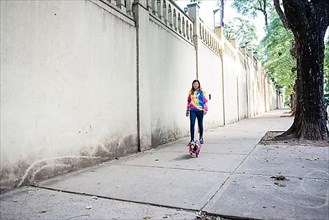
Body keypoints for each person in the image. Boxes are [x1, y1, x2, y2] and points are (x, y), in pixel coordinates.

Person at [186, 79, 208, 145]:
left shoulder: (202, 92)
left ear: (199, 85)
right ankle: (192, 139)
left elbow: (205, 101)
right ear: (192, 85)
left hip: (200, 110)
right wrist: (187, 110)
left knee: (200, 124)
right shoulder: (191, 92)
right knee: (192, 124)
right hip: (192, 110)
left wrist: (205, 109)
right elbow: (189, 101)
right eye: (194, 84)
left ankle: (201, 138)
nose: (195, 85)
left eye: (197, 84)